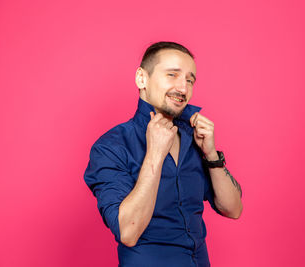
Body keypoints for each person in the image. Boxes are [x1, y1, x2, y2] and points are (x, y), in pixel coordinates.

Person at [84, 41, 243, 267]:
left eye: (189, 80)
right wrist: (155, 155)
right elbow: (128, 232)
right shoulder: (111, 147)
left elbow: (233, 209)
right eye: (172, 75)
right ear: (142, 78)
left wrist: (211, 154)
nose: (183, 88)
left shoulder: (194, 137)